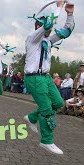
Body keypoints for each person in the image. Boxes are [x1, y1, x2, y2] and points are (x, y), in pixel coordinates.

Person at [23, 1, 75, 154]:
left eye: (51, 26)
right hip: (34, 78)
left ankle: (32, 117)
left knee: (58, 103)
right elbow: (48, 23)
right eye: (47, 25)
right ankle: (47, 141)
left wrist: (70, 13)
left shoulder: (49, 41)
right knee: (46, 108)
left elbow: (66, 31)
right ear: (38, 25)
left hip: (46, 78)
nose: (51, 27)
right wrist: (58, 7)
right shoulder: (32, 38)